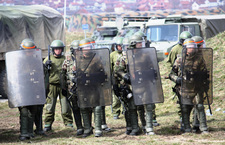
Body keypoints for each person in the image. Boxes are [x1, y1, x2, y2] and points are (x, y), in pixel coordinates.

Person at [169, 38, 209, 134]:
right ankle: (187, 128)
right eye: (190, 47)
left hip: (196, 87)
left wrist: (203, 78)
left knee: (199, 106)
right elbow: (171, 74)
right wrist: (177, 79)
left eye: (193, 47)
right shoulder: (179, 60)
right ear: (185, 48)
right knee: (185, 108)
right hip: (184, 88)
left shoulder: (199, 58)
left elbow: (205, 72)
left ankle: (203, 128)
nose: (192, 49)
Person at [43, 40, 73, 132]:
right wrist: (45, 66)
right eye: (56, 49)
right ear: (53, 50)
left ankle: (68, 123)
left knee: (66, 106)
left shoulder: (65, 59)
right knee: (50, 106)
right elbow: (42, 73)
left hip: (63, 85)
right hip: (52, 86)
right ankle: (47, 124)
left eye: (60, 49)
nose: (58, 51)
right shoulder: (48, 59)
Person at [77, 38, 104, 137]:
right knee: (84, 107)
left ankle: (98, 129)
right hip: (83, 87)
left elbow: (103, 72)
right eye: (84, 47)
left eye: (88, 47)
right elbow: (73, 72)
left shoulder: (96, 58)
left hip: (94, 86)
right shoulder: (77, 59)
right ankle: (87, 129)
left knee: (97, 107)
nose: (86, 49)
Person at [17, 39, 39, 141]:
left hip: (33, 90)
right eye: (27, 51)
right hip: (22, 90)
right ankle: (24, 132)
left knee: (32, 111)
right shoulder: (18, 62)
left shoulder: (36, 61)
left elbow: (40, 75)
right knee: (24, 111)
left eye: (31, 51)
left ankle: (30, 131)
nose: (29, 53)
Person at [61, 40, 84, 136]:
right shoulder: (67, 60)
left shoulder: (84, 58)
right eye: (75, 50)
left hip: (84, 88)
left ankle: (87, 126)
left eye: (79, 49)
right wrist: (64, 88)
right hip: (72, 89)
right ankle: (79, 127)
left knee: (86, 108)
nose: (77, 51)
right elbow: (63, 74)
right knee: (75, 108)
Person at [110, 37, 124, 120]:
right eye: (119, 46)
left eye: (121, 46)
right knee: (115, 97)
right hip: (115, 78)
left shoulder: (126, 53)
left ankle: (126, 110)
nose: (120, 47)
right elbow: (110, 67)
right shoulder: (112, 55)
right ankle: (115, 112)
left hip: (124, 78)